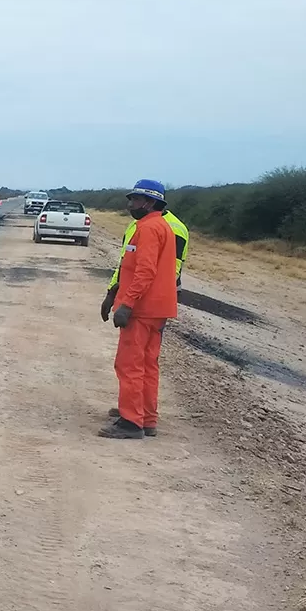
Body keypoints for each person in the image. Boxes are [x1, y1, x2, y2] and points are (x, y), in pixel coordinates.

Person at [99, 179, 179, 439]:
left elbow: (145, 272)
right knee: (147, 364)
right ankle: (146, 418)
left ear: (150, 202)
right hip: (157, 308)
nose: (130, 204)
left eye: (135, 200)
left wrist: (127, 304)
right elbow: (133, 268)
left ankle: (131, 423)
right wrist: (113, 294)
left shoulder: (148, 229)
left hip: (142, 309)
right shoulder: (159, 226)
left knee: (129, 364)